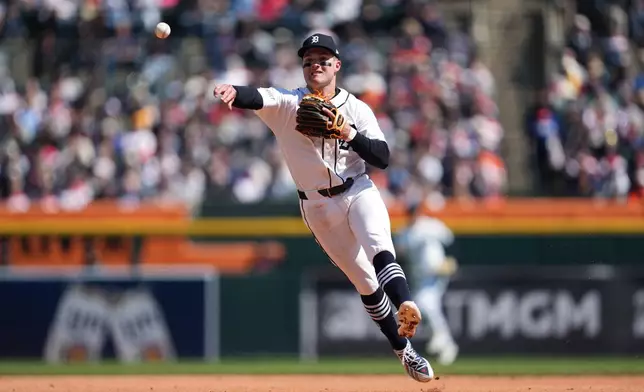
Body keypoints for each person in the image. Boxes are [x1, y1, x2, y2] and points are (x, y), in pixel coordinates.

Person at [213, 33, 434, 383]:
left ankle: (407, 304)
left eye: (323, 59)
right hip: (316, 205)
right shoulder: (288, 103)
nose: (315, 64)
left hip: (357, 189)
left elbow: (383, 157)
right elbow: (257, 96)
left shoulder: (358, 108)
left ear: (337, 65)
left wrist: (348, 132)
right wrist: (233, 92)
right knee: (364, 282)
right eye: (309, 60)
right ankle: (403, 349)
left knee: (379, 246)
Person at [395, 201, 459, 365]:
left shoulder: (430, 225)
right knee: (426, 306)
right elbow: (399, 250)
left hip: (437, 272)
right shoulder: (406, 232)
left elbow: (448, 237)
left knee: (426, 303)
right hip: (419, 277)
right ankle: (446, 343)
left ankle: (440, 337)